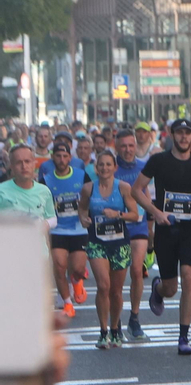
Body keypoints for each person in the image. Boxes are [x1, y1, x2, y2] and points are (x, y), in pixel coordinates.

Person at [134, 118, 191, 355]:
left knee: (188, 274)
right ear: (171, 135)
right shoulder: (158, 161)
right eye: (179, 133)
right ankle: (159, 288)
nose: (183, 137)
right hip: (166, 228)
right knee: (171, 287)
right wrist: (155, 212)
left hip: (190, 227)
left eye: (187, 133)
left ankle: (184, 336)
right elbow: (136, 189)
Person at [79, 149, 138, 347]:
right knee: (103, 286)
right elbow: (82, 208)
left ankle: (115, 328)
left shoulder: (123, 187)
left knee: (116, 290)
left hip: (119, 242)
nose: (104, 168)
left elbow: (135, 214)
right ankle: (103, 331)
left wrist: (118, 214)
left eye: (108, 164)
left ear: (115, 167)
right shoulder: (88, 188)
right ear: (96, 168)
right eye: (101, 164)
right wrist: (84, 219)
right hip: (97, 242)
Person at [110, 131, 151, 341]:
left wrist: (151, 225)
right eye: (123, 146)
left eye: (130, 146)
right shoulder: (110, 167)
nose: (127, 150)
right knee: (115, 281)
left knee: (137, 270)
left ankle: (134, 318)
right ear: (116, 147)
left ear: (136, 146)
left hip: (139, 225)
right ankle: (114, 323)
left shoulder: (143, 167)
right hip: (115, 227)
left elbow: (146, 195)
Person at [45, 139, 90, 318]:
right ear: (53, 158)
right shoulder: (46, 180)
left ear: (70, 158)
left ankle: (77, 280)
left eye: (65, 156)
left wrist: (86, 213)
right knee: (59, 265)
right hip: (58, 229)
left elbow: (90, 197)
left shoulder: (81, 175)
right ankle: (67, 303)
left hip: (79, 228)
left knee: (78, 268)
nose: (62, 159)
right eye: (58, 156)